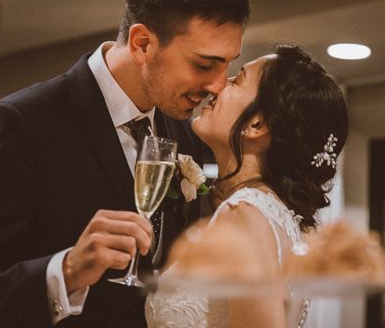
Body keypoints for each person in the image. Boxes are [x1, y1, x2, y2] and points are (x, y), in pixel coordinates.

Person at [0, 0, 250, 328]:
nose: (217, 85)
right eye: (204, 65)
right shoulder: (22, 124)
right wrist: (66, 271)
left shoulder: (184, 134)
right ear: (141, 44)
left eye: (228, 65)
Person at [145, 44, 349, 328]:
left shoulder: (245, 214)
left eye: (237, 79)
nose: (219, 85)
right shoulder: (271, 215)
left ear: (256, 124)